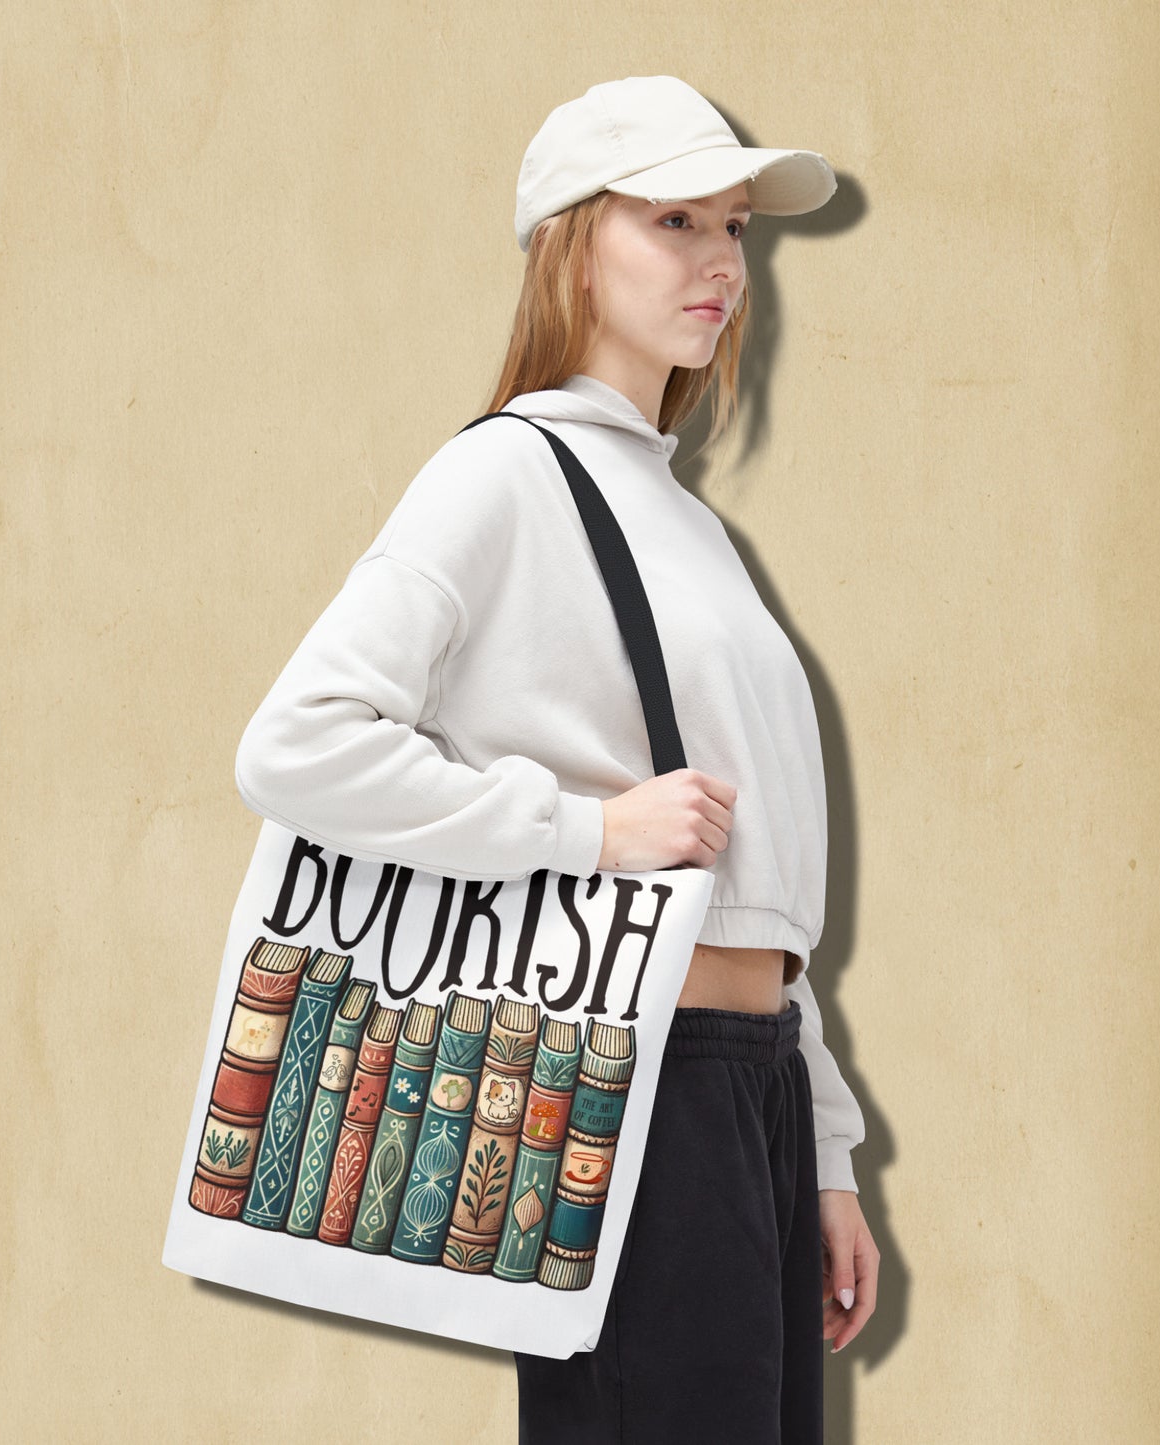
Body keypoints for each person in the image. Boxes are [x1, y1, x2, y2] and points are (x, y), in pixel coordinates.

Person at [233, 74, 879, 1444]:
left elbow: (760, 888)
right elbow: (295, 745)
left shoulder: (693, 528)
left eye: (732, 228)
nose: (718, 259)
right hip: (634, 1078)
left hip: (745, 1083)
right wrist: (583, 830)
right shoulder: (501, 477)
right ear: (570, 244)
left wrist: (821, 1148)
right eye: (672, 219)